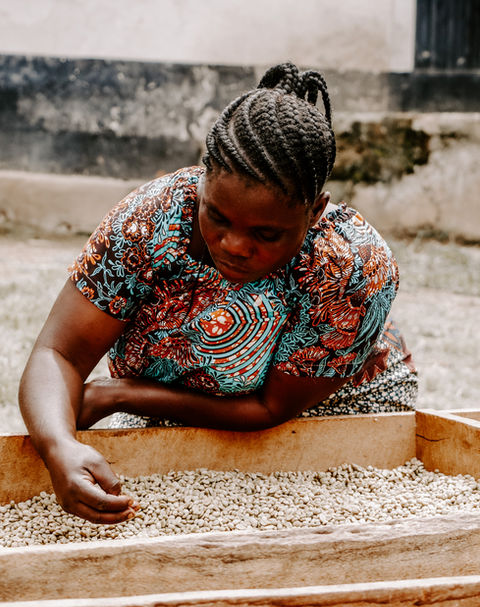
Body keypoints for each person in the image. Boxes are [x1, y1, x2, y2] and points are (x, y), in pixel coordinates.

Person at [18, 62, 417, 525]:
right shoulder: (150, 222)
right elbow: (60, 353)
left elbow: (270, 407)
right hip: (172, 403)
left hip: (335, 412)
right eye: (218, 217)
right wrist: (58, 445)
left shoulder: (351, 267)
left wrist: (120, 395)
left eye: (266, 234)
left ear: (315, 211)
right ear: (203, 181)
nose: (234, 245)